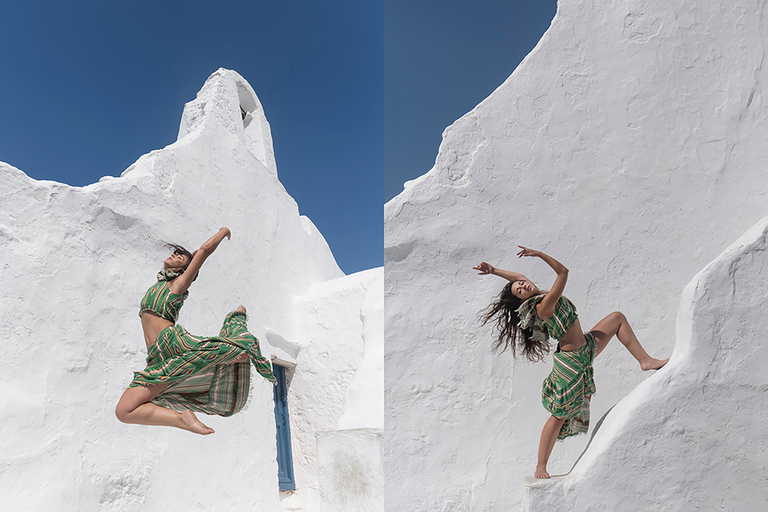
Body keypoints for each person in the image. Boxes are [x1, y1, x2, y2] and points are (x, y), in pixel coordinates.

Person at [474, 246, 668, 479]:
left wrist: (494, 270)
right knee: (559, 415)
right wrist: (540, 255)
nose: (524, 284)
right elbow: (563, 273)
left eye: (523, 283)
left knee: (617, 318)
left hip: (585, 346)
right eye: (520, 289)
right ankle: (540, 466)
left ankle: (645, 360)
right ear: (522, 300)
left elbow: (519, 277)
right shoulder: (543, 306)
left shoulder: (536, 294)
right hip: (572, 362)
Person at [115, 227, 276, 435]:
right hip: (157, 357)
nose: (175, 254)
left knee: (224, 352)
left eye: (180, 256)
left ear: (187, 269)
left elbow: (204, 250)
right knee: (124, 411)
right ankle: (182, 419)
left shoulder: (177, 285)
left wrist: (222, 231)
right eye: (175, 253)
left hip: (171, 342)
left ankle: (238, 334)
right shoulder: (159, 285)